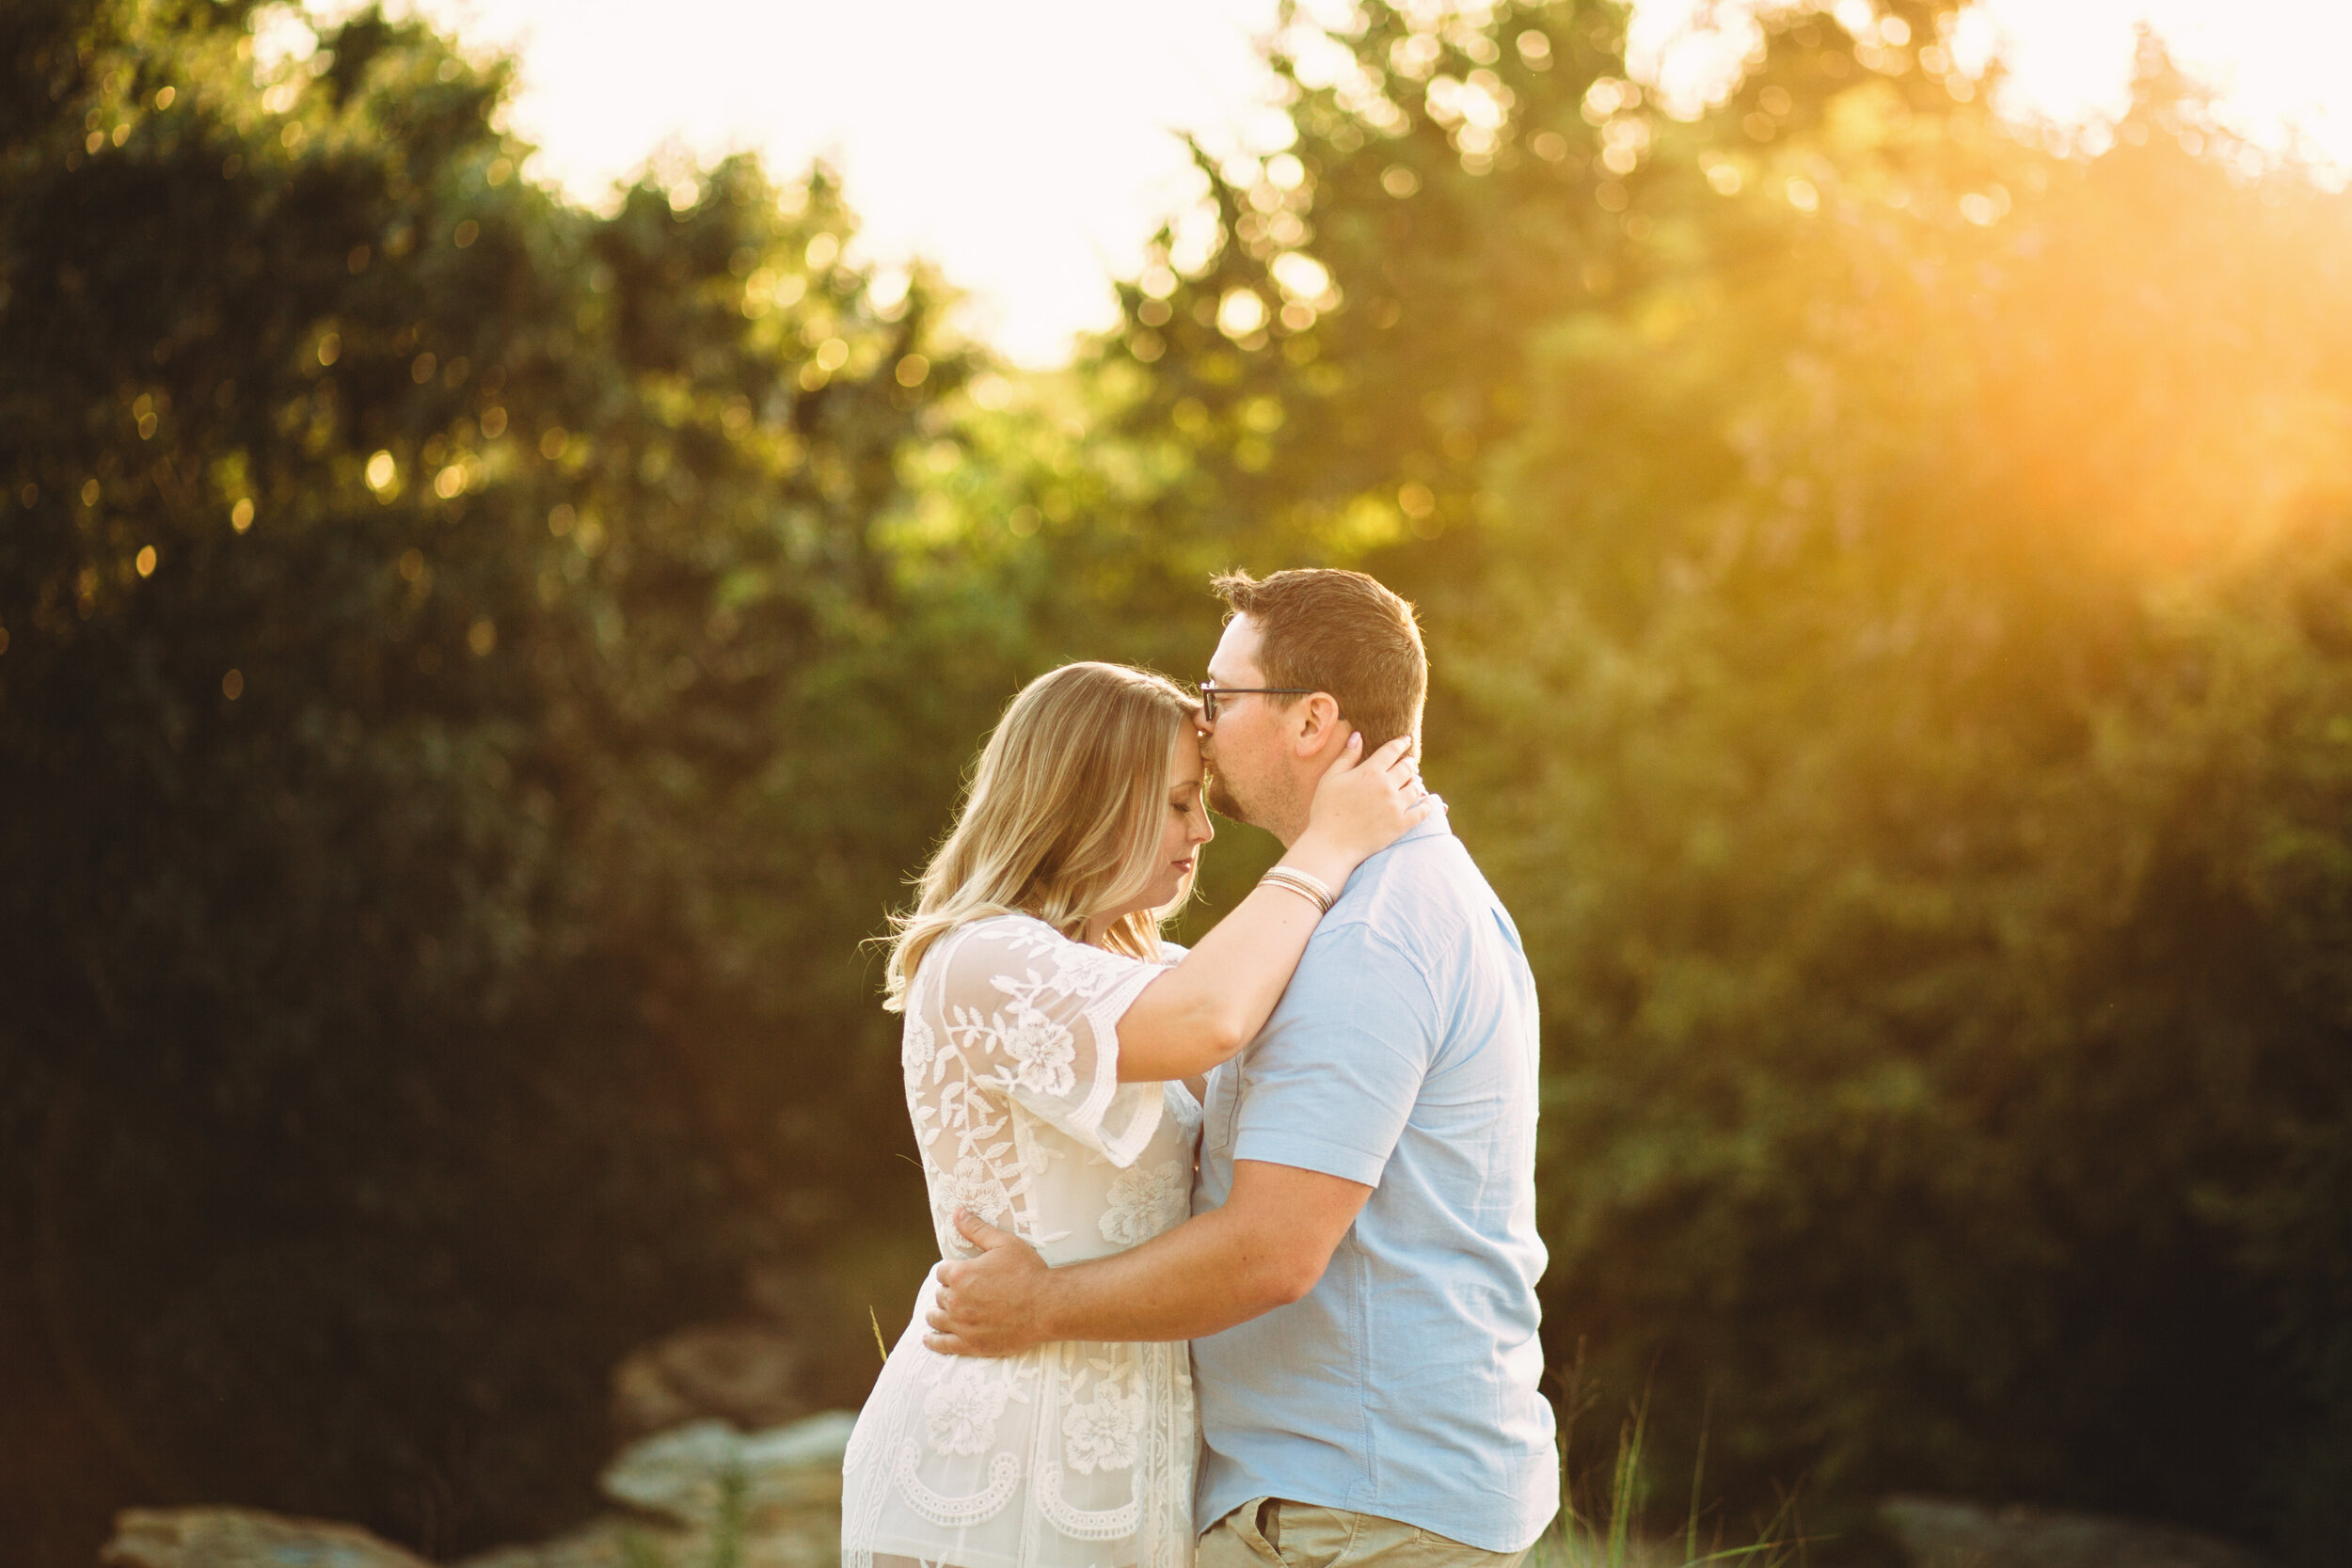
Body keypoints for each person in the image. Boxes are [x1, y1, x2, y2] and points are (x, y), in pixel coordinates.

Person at [921, 570, 1558, 1568]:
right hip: (1323, 1493)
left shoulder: (1370, 934)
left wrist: (1042, 1303)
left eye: (1220, 696)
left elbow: (1272, 1250)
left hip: (1345, 1508)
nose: (1203, 724)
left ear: (1311, 720)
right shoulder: (1365, 908)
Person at [842, 658, 1435, 1568]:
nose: (1202, 830)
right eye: (1176, 802)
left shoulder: (1151, 967)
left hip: (1142, 1466)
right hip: (998, 1460)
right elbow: (1211, 1018)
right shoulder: (983, 960)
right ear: (1082, 799)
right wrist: (1326, 846)